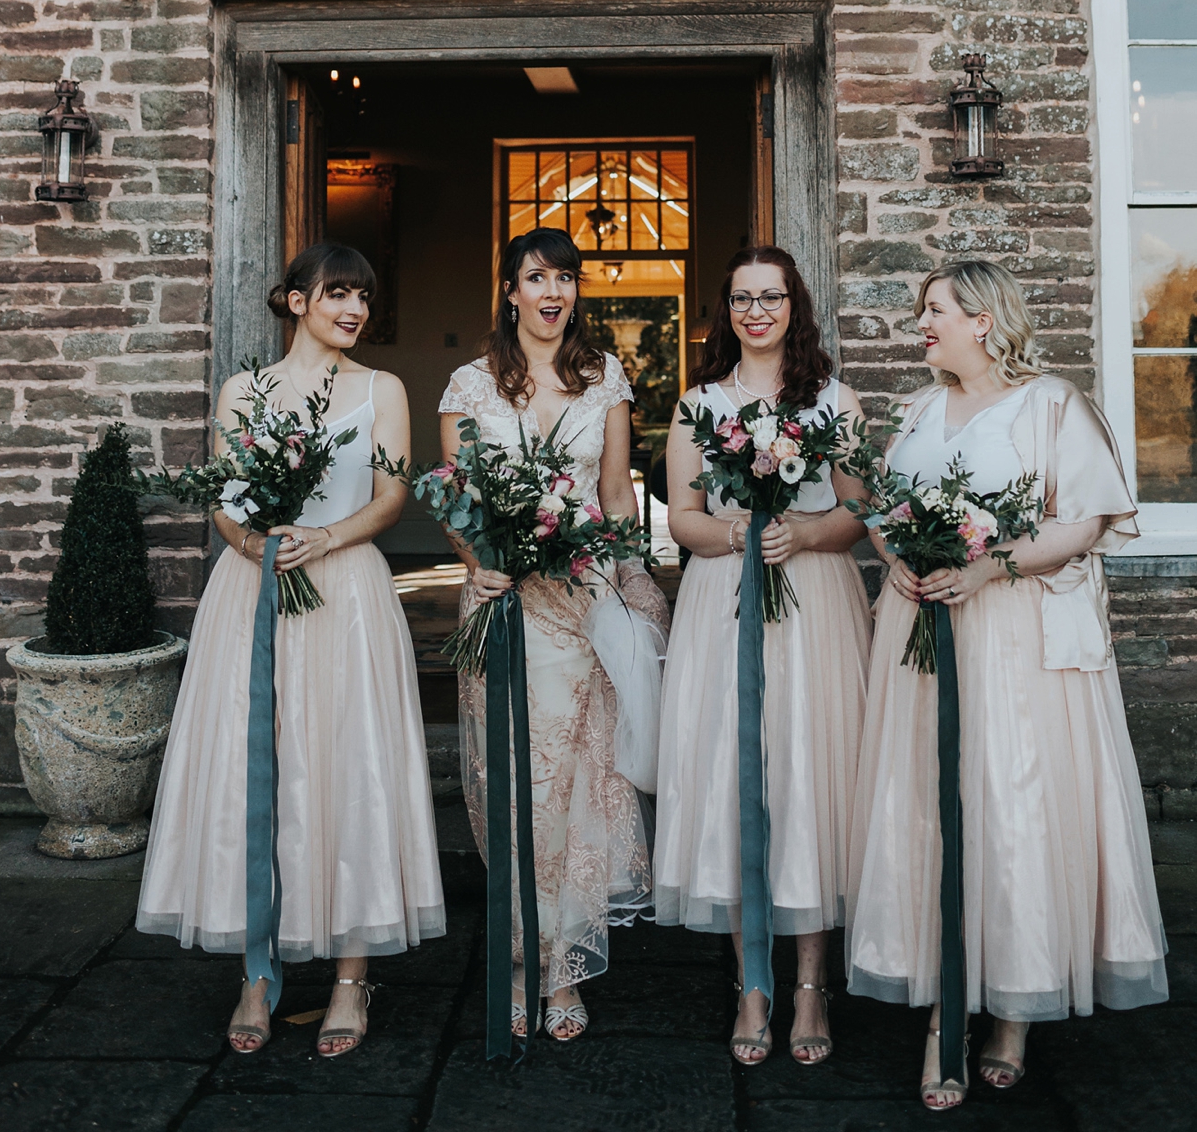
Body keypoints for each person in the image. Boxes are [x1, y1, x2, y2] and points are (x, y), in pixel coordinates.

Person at [846, 259, 1168, 1111]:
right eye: (922, 310)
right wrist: (897, 559)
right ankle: (941, 1005)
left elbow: (1085, 520)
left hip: (1009, 638)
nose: (922, 323)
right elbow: (885, 511)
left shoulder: (1051, 403)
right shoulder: (918, 411)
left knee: (1007, 803)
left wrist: (989, 567)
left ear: (983, 321)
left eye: (936, 310)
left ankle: (1014, 1008)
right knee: (924, 801)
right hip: (920, 631)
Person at [137, 243, 444, 1058]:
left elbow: (392, 494)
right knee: (254, 767)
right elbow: (226, 504)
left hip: (347, 593)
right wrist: (251, 542)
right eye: (338, 293)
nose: (354, 309)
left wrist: (323, 536)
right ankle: (258, 970)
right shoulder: (246, 391)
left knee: (350, 767)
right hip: (256, 590)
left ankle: (351, 977)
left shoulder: (383, 389)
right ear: (294, 300)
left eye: (364, 298)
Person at [439, 228, 669, 1043]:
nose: (554, 290)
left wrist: (625, 578)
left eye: (566, 277)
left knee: (576, 781)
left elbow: (614, 494)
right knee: (513, 782)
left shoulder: (603, 377)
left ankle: (564, 960)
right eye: (537, 276)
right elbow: (458, 498)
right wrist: (481, 561)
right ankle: (519, 953)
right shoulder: (469, 386)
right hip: (506, 604)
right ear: (510, 291)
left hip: (579, 603)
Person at [656, 245, 872, 1067]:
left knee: (808, 776)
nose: (756, 311)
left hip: (813, 601)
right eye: (742, 298)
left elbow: (857, 514)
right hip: (725, 601)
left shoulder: (834, 401)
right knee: (735, 775)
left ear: (795, 306)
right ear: (726, 309)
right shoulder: (696, 405)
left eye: (771, 297)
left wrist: (805, 531)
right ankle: (753, 984)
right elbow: (681, 516)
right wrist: (736, 531)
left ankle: (812, 984)